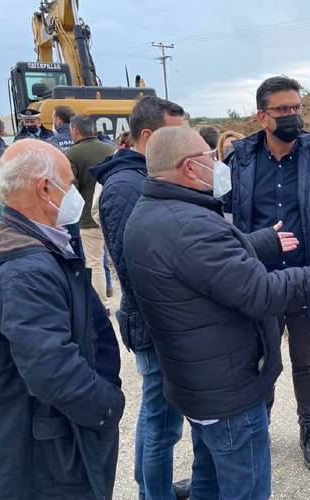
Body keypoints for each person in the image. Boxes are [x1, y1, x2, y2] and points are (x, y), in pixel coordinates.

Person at [124, 126, 310, 499]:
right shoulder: (190, 225)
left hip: (198, 384)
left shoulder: (150, 213)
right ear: (189, 168)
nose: (217, 164)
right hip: (228, 393)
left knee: (208, 480)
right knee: (246, 489)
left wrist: (263, 242)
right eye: (210, 157)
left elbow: (205, 265)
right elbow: (261, 292)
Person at [0, 139, 125, 500]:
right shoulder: (26, 269)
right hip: (40, 458)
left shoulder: (28, 244)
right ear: (46, 188)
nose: (74, 194)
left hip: (37, 443)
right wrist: (108, 406)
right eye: (69, 183)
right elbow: (52, 371)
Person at [224, 75, 310, 472]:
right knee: (261, 361)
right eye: (283, 109)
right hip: (259, 284)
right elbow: (222, 223)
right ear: (261, 116)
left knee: (305, 361)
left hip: (306, 282)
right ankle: (258, 429)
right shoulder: (238, 161)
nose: (292, 116)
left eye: (296, 108)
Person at [90, 96, 192, 500]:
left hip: (159, 321)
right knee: (160, 423)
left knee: (160, 418)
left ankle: (152, 486)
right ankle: (153, 493)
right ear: (147, 136)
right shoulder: (126, 187)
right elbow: (135, 271)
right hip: (154, 325)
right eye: (176, 135)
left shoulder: (142, 176)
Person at [66, 115, 116, 310]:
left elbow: (72, 188)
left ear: (75, 130)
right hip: (111, 213)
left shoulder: (73, 153)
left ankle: (102, 304)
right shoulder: (111, 149)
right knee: (116, 259)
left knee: (94, 263)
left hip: (88, 218)